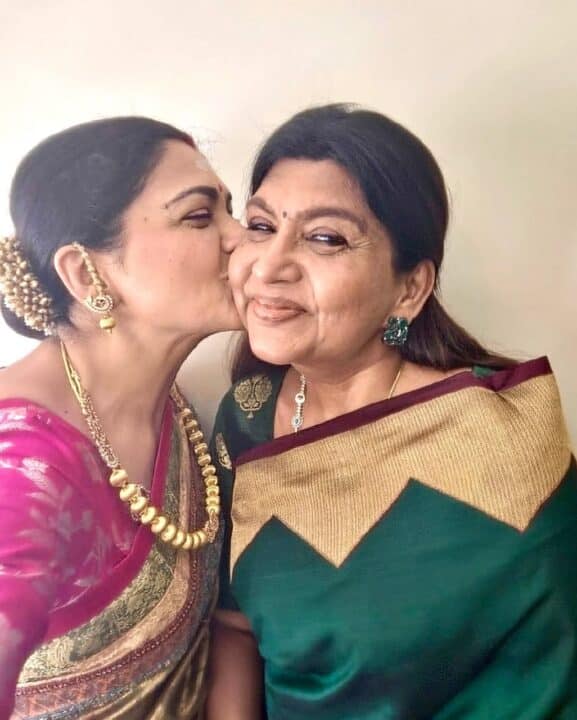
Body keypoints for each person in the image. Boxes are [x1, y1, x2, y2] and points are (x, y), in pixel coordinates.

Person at [207, 104, 577, 719]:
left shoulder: (496, 432)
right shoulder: (245, 416)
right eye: (261, 225)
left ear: (409, 289)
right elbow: (236, 626)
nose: (268, 267)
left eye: (326, 238)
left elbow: (546, 670)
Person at [0, 116, 242, 719]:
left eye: (231, 211)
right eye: (199, 216)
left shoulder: (171, 405)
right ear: (87, 274)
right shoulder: (22, 467)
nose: (243, 238)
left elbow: (225, 629)